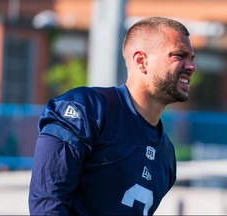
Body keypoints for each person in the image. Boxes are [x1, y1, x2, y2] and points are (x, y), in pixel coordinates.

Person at [28, 16, 196, 215]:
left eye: (191, 58)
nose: (191, 66)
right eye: (179, 56)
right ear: (141, 61)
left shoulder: (166, 152)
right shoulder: (87, 109)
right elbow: (48, 202)